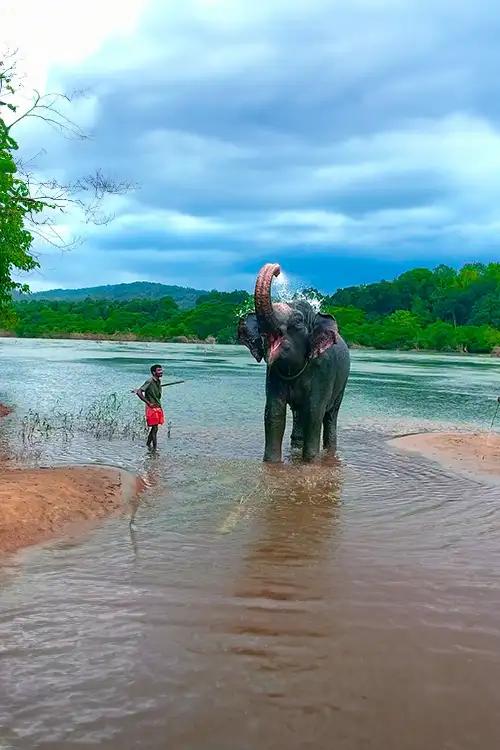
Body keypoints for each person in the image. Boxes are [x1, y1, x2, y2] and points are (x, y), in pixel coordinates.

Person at [133, 364, 165, 451]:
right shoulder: (150, 381)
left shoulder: (158, 381)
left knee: (155, 428)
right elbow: (139, 392)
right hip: (152, 407)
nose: (161, 372)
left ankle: (148, 444)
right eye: (159, 370)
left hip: (157, 406)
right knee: (155, 428)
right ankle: (154, 449)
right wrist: (148, 403)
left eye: (161, 370)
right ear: (154, 372)